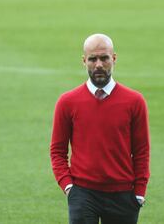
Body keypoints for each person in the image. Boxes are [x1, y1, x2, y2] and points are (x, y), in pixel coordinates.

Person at [50, 33, 150, 224]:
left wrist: (139, 193)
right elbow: (57, 150)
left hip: (123, 195)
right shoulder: (67, 102)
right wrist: (68, 186)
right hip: (83, 194)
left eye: (104, 58)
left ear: (114, 58)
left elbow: (142, 151)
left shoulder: (134, 101)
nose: (98, 65)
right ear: (84, 61)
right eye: (92, 59)